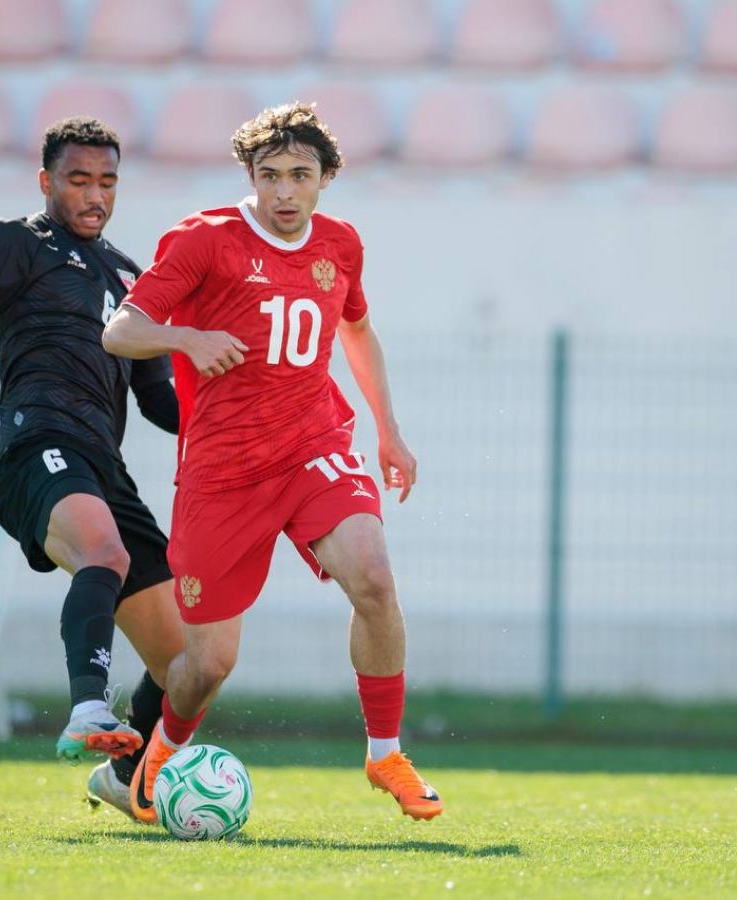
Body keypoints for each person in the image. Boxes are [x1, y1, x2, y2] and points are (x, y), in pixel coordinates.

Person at [102, 102, 443, 822]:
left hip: (312, 447)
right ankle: (156, 754)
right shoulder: (205, 240)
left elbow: (356, 331)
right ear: (249, 175)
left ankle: (386, 753)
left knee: (374, 579)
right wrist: (187, 339)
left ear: (325, 178)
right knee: (208, 665)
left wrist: (388, 431)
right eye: (270, 175)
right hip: (223, 473)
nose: (284, 192)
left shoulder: (341, 244)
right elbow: (120, 331)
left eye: (300, 175)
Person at [0, 117, 184, 815]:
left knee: (187, 663)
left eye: (107, 181)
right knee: (104, 553)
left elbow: (159, 403)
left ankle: (123, 774)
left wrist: (243, 403)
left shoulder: (132, 277)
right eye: (79, 180)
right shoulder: (16, 242)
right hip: (35, 446)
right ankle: (88, 708)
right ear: (46, 181)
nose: (95, 195)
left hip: (105, 469)